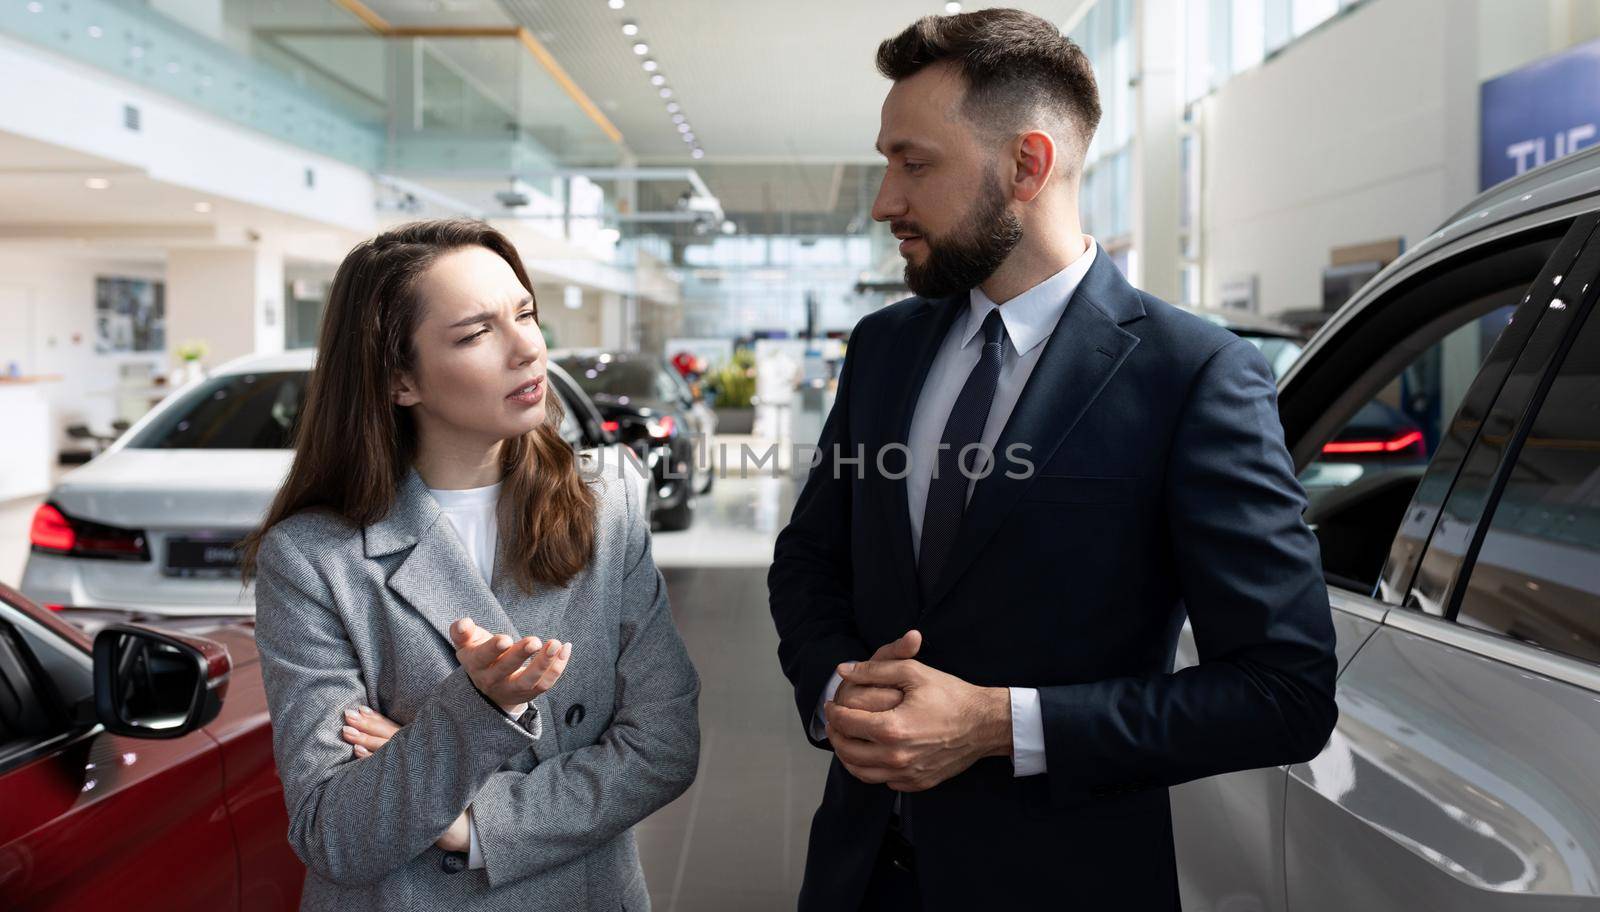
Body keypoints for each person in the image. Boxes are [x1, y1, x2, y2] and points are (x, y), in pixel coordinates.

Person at [768, 10, 1338, 911]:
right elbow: (809, 560)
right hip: (860, 874)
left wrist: (997, 726)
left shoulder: (1191, 375)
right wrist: (841, 686)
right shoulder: (884, 348)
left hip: (1066, 879)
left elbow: (1283, 693)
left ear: (1027, 166)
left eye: (914, 164)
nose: (885, 201)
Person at [241, 218, 700, 911]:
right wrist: (476, 708)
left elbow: (663, 745)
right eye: (476, 333)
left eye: (525, 314)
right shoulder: (314, 558)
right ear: (399, 379)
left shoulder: (607, 504)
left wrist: (474, 820)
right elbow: (333, 830)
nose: (528, 349)